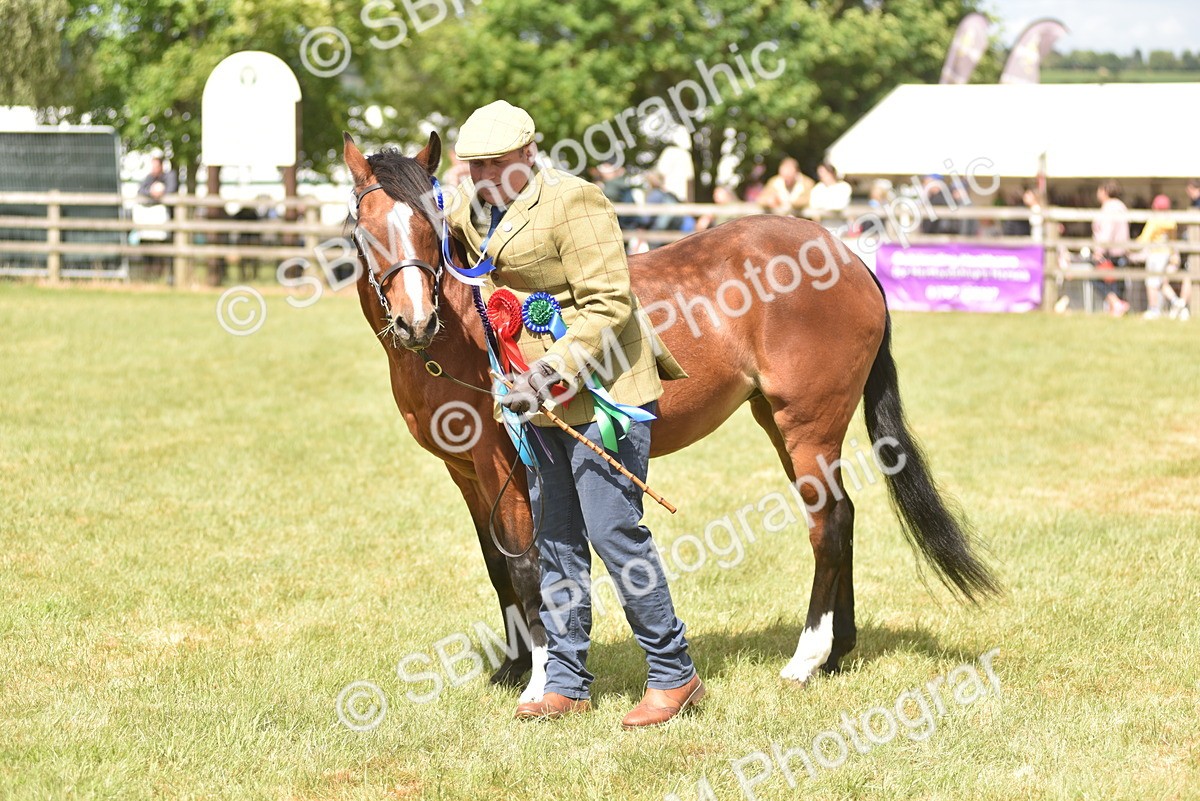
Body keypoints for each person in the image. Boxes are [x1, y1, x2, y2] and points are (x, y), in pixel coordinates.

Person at [446, 100, 703, 728]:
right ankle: (565, 678)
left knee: (614, 531)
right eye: (474, 164)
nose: (483, 174)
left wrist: (550, 371)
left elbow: (610, 302)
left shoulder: (574, 201)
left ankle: (675, 673)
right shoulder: (470, 205)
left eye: (495, 163)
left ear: (528, 154)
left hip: (602, 388)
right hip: (532, 399)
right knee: (555, 536)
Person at [1092, 180, 1131, 317]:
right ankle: (1116, 309)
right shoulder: (1122, 207)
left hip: (1110, 251)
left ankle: (1115, 304)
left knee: (1096, 278)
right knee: (1117, 283)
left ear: (1104, 191)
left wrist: (1099, 250)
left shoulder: (1109, 208)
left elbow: (1107, 231)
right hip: (1121, 250)